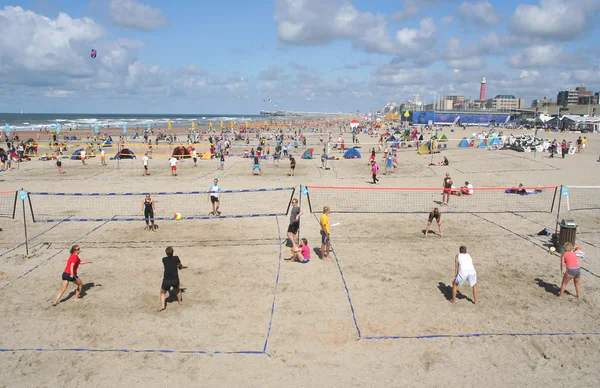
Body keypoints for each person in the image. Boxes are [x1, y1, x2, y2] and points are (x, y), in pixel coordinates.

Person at [159, 246, 187, 312]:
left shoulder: (164, 259)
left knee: (163, 292)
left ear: (166, 253)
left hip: (166, 279)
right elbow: (180, 265)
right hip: (175, 279)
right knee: (177, 289)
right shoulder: (176, 258)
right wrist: (182, 267)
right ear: (173, 252)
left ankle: (163, 305)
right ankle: (179, 302)